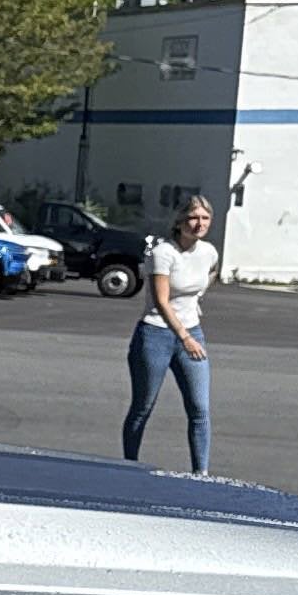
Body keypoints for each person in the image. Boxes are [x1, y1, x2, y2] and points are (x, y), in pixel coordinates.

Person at [122, 194, 217, 473]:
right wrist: (184, 337)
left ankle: (201, 473)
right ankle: (129, 465)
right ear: (180, 221)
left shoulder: (209, 252)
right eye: (193, 218)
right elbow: (161, 301)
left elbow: (209, 274)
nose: (199, 224)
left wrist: (195, 303)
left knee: (200, 409)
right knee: (143, 406)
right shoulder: (164, 252)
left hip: (191, 332)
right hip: (156, 334)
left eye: (205, 218)